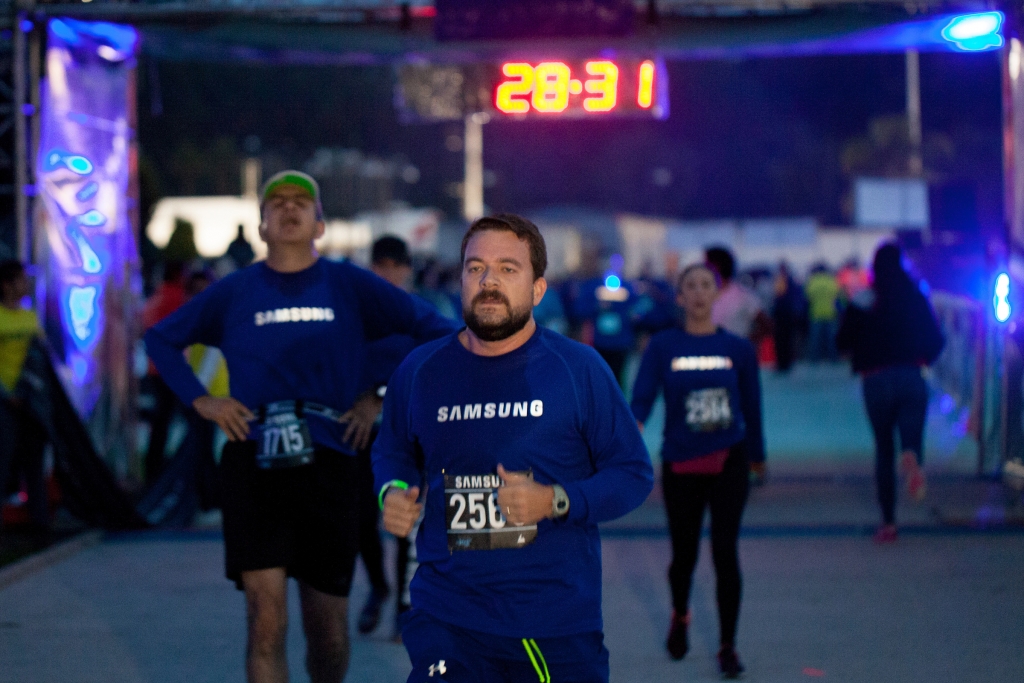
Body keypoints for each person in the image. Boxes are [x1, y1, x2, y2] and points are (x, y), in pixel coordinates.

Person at [144, 170, 456, 683]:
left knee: (327, 628)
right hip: (253, 463)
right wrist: (203, 401)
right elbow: (160, 340)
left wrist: (378, 396)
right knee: (264, 620)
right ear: (262, 225)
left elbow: (434, 330)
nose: (289, 209)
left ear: (319, 224)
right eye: (277, 203)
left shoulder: (348, 283)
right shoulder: (235, 291)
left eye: (301, 202)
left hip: (330, 463)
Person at [374, 214, 653, 683]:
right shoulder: (420, 370)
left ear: (538, 289)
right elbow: (393, 451)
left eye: (508, 269)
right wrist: (392, 491)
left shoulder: (578, 369)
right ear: (459, 279)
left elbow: (632, 474)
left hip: (551, 621)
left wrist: (554, 500)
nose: (488, 282)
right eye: (475, 267)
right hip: (447, 613)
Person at [631, 262, 765, 679]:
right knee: (683, 556)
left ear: (718, 293)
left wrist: (758, 457)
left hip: (729, 461)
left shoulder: (739, 350)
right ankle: (680, 612)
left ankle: (728, 645)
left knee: (725, 553)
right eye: (691, 286)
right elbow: (642, 400)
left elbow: (752, 407)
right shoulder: (662, 347)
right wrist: (628, 434)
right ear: (681, 297)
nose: (701, 292)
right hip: (681, 462)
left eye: (708, 285)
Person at [836, 243, 944, 544]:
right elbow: (937, 339)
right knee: (911, 436)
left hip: (876, 380)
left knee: (884, 450)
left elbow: (842, 340)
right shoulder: (916, 297)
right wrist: (923, 359)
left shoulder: (863, 300)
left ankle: (889, 523)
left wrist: (860, 353)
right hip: (911, 375)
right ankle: (911, 456)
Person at [351, 235, 419, 637]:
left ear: (407, 269)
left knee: (405, 521)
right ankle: (378, 587)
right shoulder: (358, 315)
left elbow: (430, 370)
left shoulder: (421, 314)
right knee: (361, 521)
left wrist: (380, 397)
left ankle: (404, 606)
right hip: (362, 435)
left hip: (407, 437)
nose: (389, 273)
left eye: (396, 265)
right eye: (382, 265)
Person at [0, 260, 49, 537]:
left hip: (30, 403)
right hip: (5, 402)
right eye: (20, 280)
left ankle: (40, 524)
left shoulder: (30, 317)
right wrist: (8, 394)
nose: (26, 285)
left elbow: (39, 361)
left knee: (34, 463)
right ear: (6, 284)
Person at [142, 260, 188, 483]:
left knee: (160, 420)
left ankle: (153, 465)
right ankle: (175, 468)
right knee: (189, 420)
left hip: (155, 368)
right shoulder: (178, 299)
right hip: (175, 368)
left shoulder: (154, 299)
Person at [705, 246, 770, 345]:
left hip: (735, 355)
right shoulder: (705, 296)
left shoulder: (743, 295)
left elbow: (767, 325)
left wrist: (744, 343)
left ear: (717, 266)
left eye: (706, 264)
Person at [805, 264, 841, 363]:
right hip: (830, 312)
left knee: (815, 339)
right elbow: (837, 294)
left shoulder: (813, 280)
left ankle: (814, 359)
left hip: (816, 313)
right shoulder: (831, 280)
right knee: (831, 339)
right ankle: (833, 358)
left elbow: (808, 296)